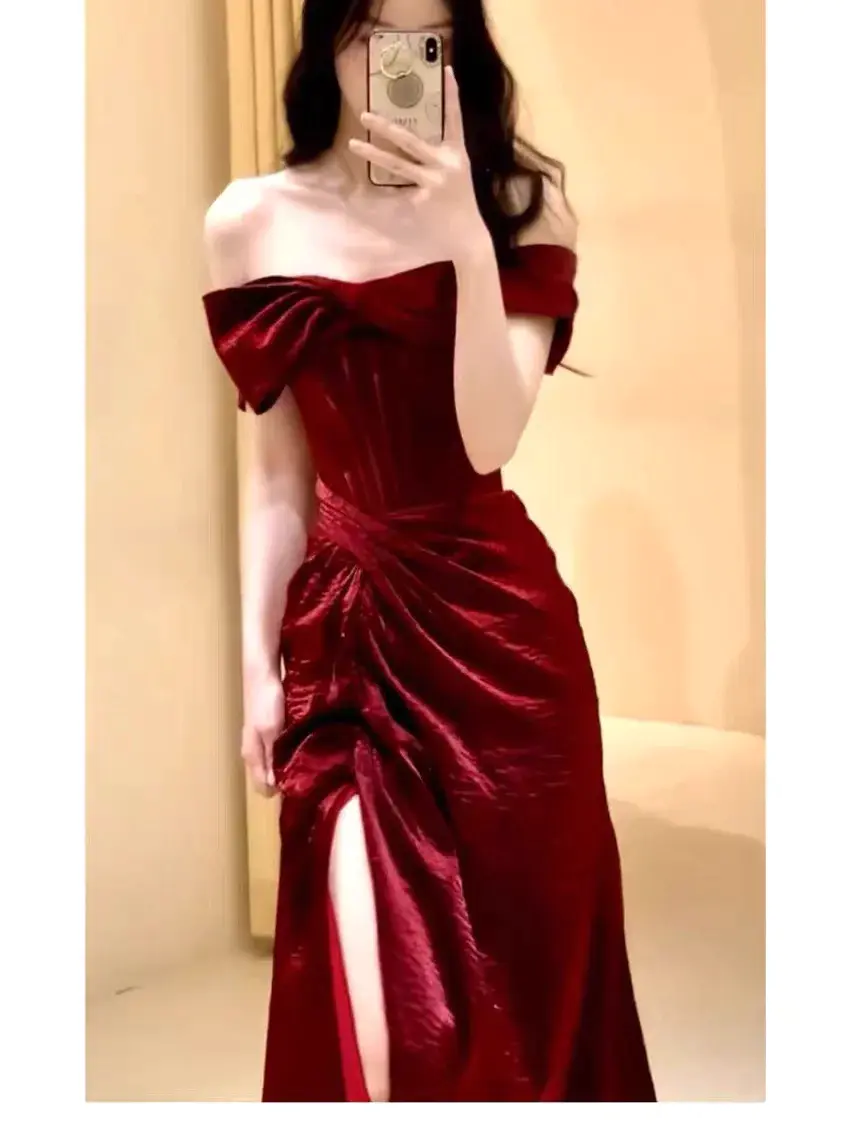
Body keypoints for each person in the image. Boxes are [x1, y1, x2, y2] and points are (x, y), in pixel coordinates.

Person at [202, 0, 655, 1103]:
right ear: (327, 37)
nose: (390, 65)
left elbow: (489, 438)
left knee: (534, 1005)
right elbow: (280, 476)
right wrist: (256, 664)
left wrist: (463, 234)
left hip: (503, 642)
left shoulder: (522, 206)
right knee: (377, 1011)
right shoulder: (251, 221)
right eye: (370, 33)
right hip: (345, 640)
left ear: (458, 51)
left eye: (424, 38)